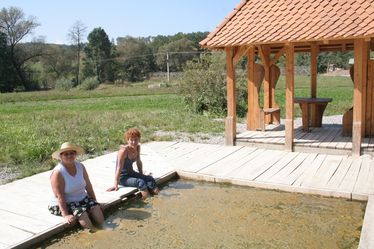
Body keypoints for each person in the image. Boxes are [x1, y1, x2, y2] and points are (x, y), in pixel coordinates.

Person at [48, 142, 104, 231]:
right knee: (83, 214)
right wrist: (65, 214)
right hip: (65, 203)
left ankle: (103, 230)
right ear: (61, 156)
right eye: (66, 154)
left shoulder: (80, 166)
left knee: (97, 210)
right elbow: (59, 195)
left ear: (75, 154)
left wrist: (95, 201)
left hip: (82, 198)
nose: (69, 156)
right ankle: (93, 233)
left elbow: (88, 186)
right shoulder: (58, 172)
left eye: (71, 153)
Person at [107, 128, 160, 199]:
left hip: (131, 173)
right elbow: (119, 167)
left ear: (139, 139)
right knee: (140, 182)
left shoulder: (137, 147)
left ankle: (160, 197)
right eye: (131, 140)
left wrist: (141, 174)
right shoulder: (123, 151)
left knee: (149, 178)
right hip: (122, 177)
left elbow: (139, 162)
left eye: (136, 140)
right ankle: (149, 200)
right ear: (128, 140)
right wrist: (115, 184)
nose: (134, 142)